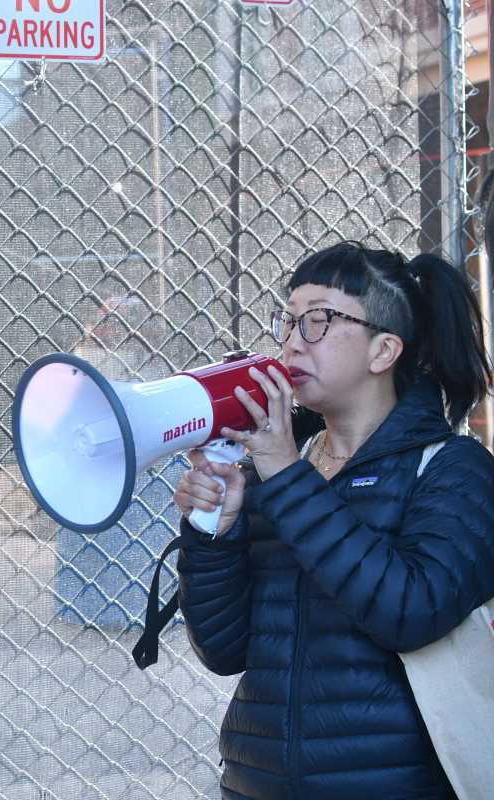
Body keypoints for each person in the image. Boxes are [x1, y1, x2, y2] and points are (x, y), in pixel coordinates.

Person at [173, 242, 494, 799]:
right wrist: (214, 535)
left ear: (383, 351)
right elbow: (225, 650)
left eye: (319, 320)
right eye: (289, 320)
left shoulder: (453, 469)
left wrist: (284, 474)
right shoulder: (276, 472)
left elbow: (410, 613)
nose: (293, 341)